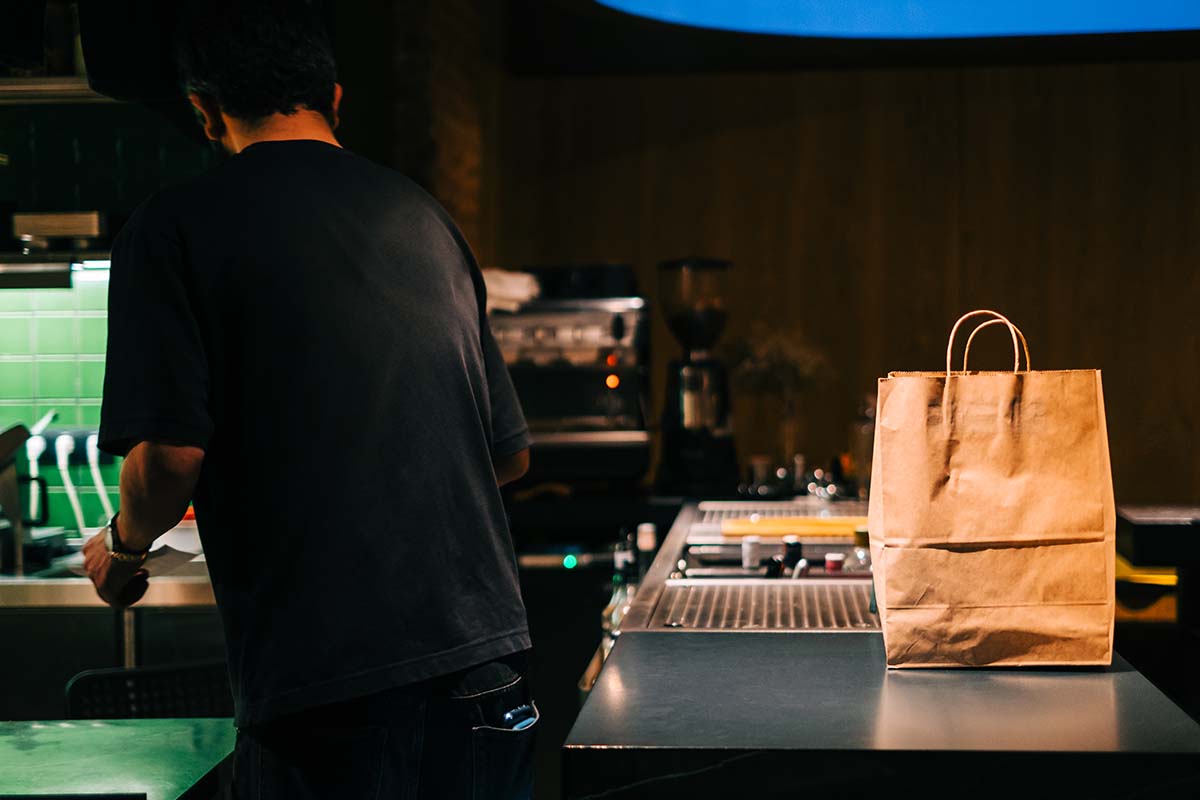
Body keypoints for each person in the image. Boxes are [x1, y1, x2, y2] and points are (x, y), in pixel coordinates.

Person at [80, 3, 536, 797]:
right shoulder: (425, 217)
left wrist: (121, 548)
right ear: (334, 96)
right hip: (488, 672)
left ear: (203, 110)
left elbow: (169, 464)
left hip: (333, 693)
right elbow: (508, 457)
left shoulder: (172, 228)